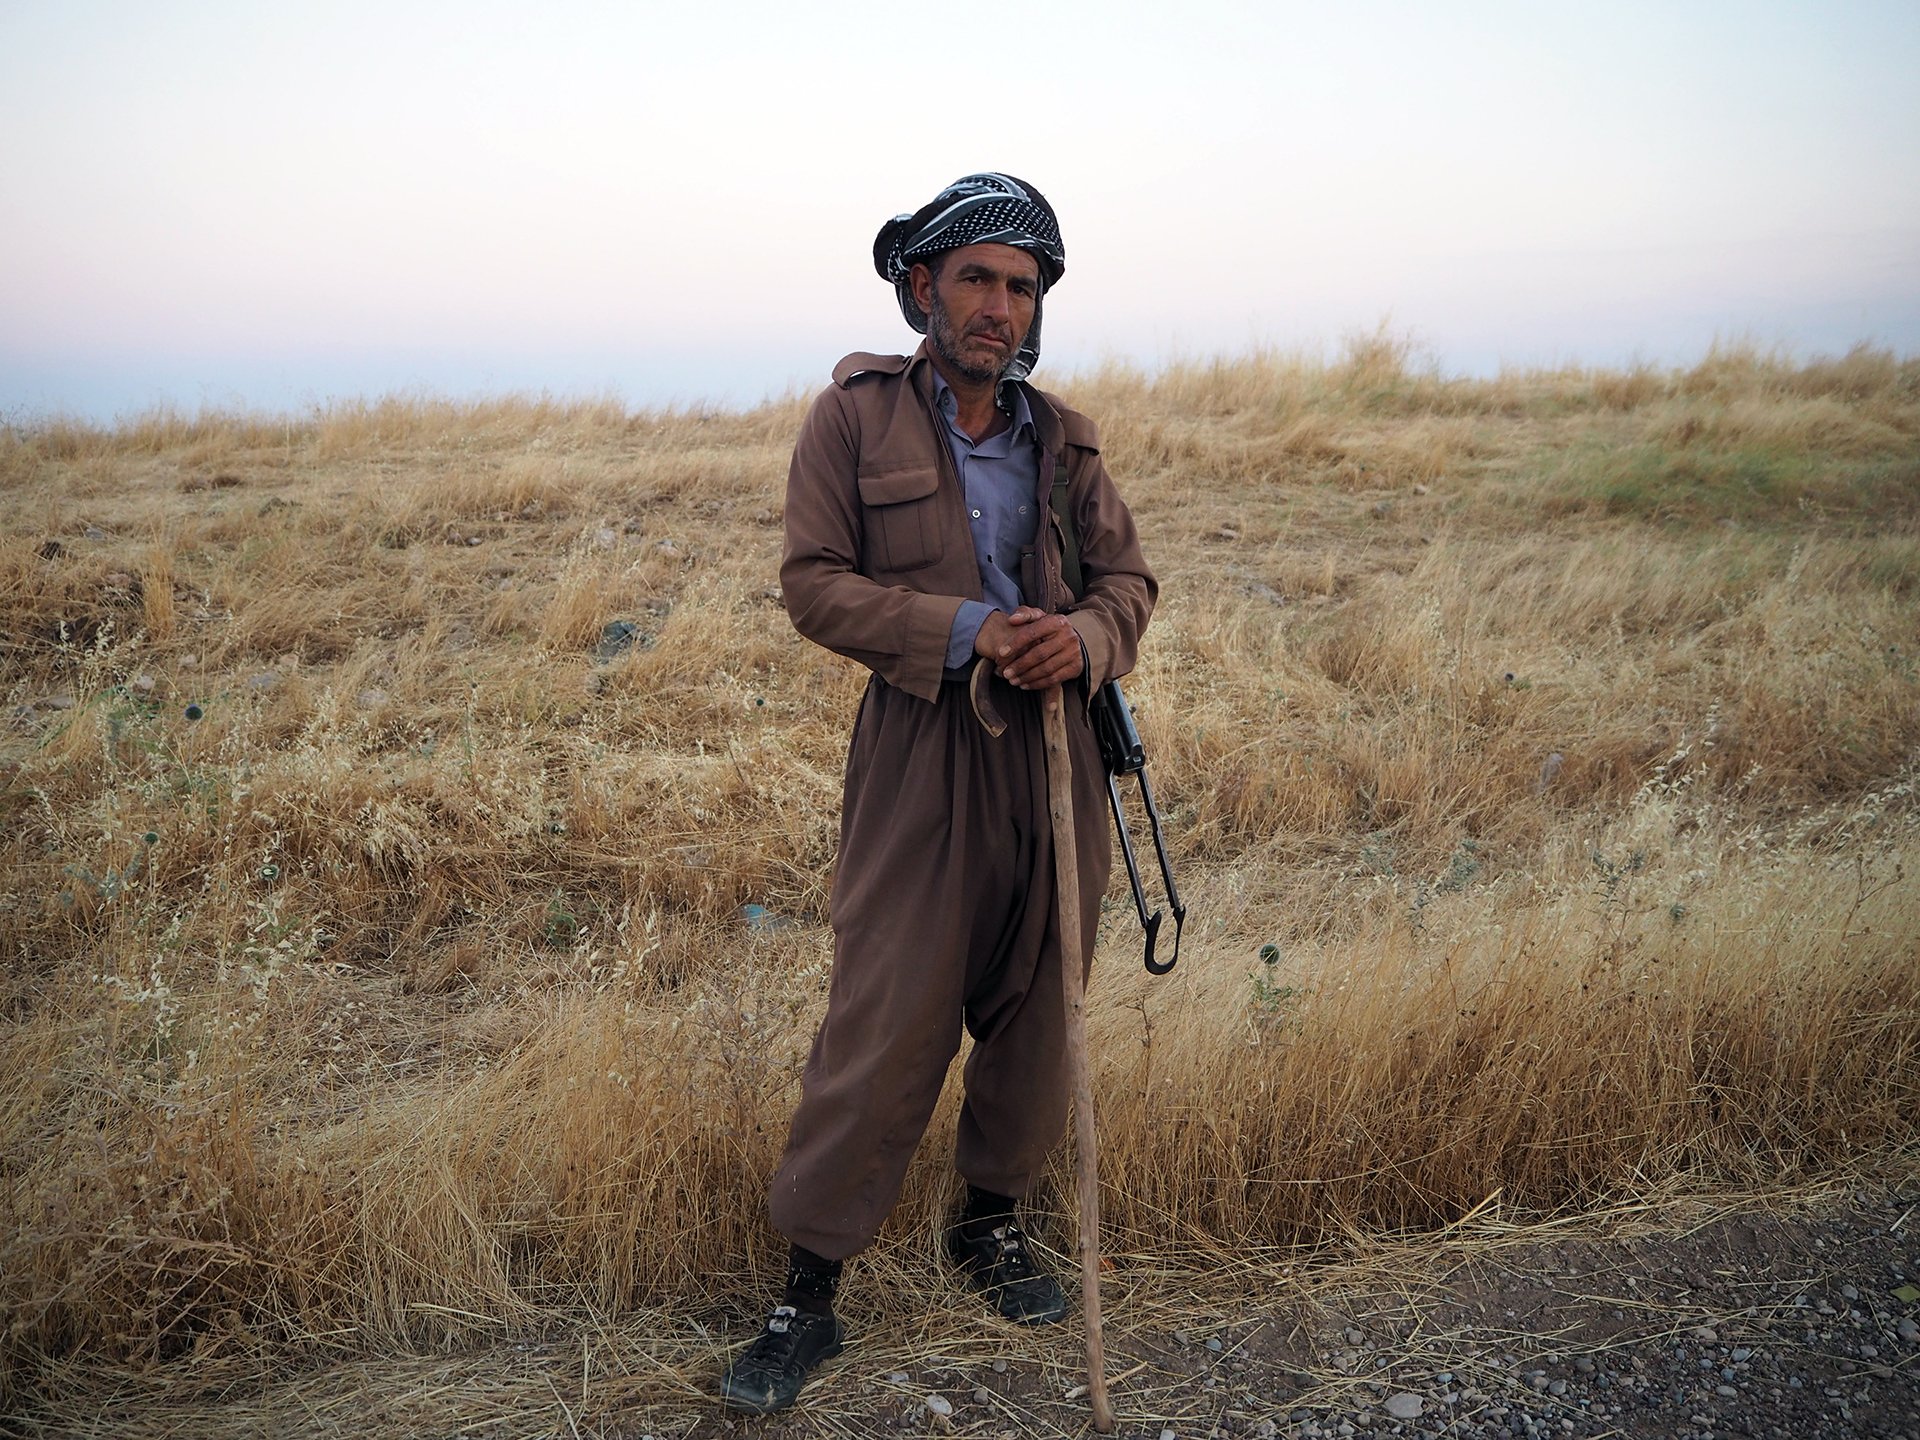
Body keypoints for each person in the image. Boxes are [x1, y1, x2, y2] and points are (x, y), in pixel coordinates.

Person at [720, 173, 1156, 1415]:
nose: (998, 307)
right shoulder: (851, 418)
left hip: (1056, 752)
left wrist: (1084, 638)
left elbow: (1130, 582)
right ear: (921, 285)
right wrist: (970, 629)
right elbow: (814, 583)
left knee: (1038, 1002)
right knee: (887, 1012)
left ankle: (990, 1229)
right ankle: (807, 1294)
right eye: (975, 277)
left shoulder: (1066, 438)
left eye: (1021, 288)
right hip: (922, 746)